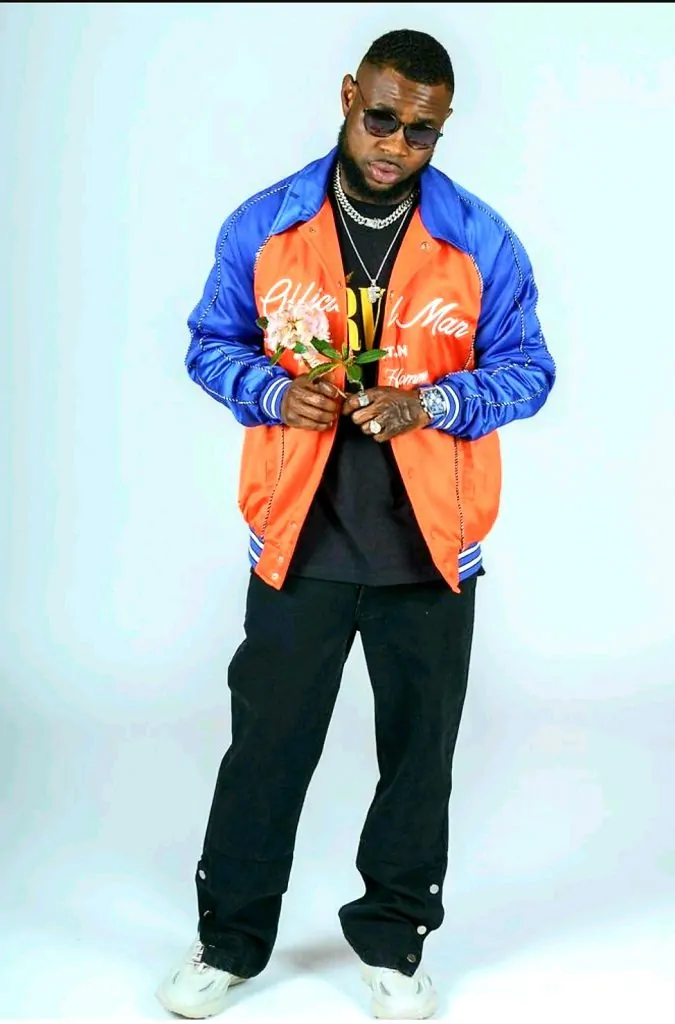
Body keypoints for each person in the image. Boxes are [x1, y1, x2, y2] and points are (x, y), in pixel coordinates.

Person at [156, 27, 556, 1021]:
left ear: (442, 129)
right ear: (348, 97)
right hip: (301, 541)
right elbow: (209, 343)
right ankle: (229, 941)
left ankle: (393, 939)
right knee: (266, 750)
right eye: (382, 118)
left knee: (418, 760)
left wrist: (434, 402)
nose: (396, 145)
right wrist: (270, 389)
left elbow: (528, 370)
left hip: (430, 546)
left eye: (422, 132)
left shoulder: (480, 240)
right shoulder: (266, 225)